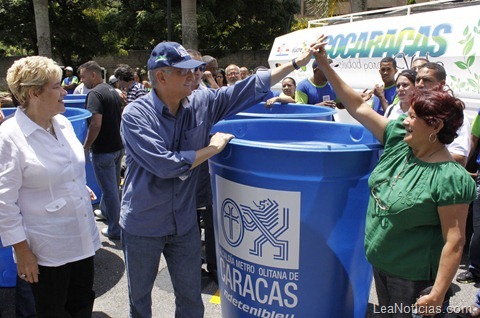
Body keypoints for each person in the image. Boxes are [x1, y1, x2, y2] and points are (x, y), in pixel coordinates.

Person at [119, 39, 319, 317]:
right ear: (161, 76)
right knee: (139, 302)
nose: (192, 76)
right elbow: (165, 166)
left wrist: (296, 63)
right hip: (144, 224)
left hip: (184, 224)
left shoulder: (202, 102)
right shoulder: (135, 115)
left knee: (190, 301)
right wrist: (212, 149)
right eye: (183, 72)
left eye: (193, 70)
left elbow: (244, 89)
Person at [314, 35, 476, 317]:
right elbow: (358, 106)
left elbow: (455, 241)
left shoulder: (449, 178)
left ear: (434, 126)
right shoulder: (400, 139)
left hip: (414, 281)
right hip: (382, 266)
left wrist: (437, 294)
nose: (405, 120)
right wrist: (324, 63)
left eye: (413, 116)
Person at [0, 56, 101, 317]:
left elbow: (70, 169)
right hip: (46, 248)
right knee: (51, 309)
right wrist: (21, 251)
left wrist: (79, 187)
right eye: (56, 86)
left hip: (81, 238)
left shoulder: (63, 123)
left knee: (81, 303)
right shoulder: (10, 137)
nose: (64, 91)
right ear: (34, 93)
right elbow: (3, 201)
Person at [79, 61, 124, 240]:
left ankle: (115, 229)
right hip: (117, 147)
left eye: (83, 76)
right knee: (111, 185)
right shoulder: (112, 91)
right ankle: (105, 212)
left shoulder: (94, 95)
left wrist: (86, 145)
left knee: (110, 189)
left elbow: (95, 124)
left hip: (103, 150)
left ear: (93, 75)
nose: (81, 80)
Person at [416, 62, 470, 167]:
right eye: (418, 80)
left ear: (442, 84)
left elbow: (460, 158)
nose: (420, 84)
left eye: (426, 80)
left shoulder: (455, 116)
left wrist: (419, 158)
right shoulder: (412, 111)